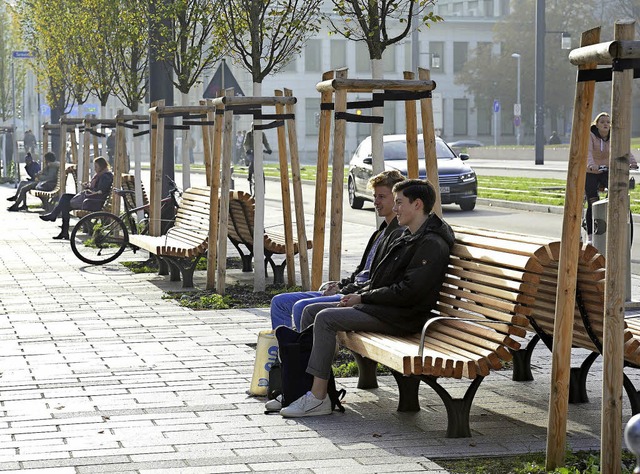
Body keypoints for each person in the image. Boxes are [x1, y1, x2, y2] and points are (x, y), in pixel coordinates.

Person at [272, 179, 455, 418]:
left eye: (399, 202)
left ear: (417, 204)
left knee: (326, 319)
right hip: (385, 308)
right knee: (310, 311)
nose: (395, 208)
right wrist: (357, 294)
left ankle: (318, 398)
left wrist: (362, 297)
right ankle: (303, 388)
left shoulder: (431, 244)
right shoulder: (409, 236)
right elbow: (382, 279)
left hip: (403, 317)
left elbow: (408, 292)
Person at [269, 170, 406, 331]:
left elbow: (378, 281)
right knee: (279, 302)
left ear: (397, 199)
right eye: (375, 196)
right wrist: (340, 284)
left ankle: (302, 353)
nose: (376, 201)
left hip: (358, 296)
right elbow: (360, 271)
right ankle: (283, 350)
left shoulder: (398, 235)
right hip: (350, 289)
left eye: (381, 197)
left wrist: (344, 289)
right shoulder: (380, 232)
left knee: (301, 307)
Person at [585, 112, 638, 244]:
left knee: (616, 188)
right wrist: (591, 165)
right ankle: (590, 235)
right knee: (593, 201)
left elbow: (624, 149)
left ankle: (610, 208)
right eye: (602, 122)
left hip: (606, 169)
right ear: (596, 124)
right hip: (591, 171)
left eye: (608, 122)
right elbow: (588, 152)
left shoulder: (614, 136)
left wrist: (632, 162)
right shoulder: (591, 136)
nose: (606, 124)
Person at [39, 157, 113, 240]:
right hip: (90, 199)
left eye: (96, 166)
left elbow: (101, 190)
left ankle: (58, 222)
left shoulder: (106, 176)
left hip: (93, 202)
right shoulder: (101, 174)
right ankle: (61, 227)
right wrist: (88, 186)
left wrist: (89, 189)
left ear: (102, 166)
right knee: (65, 199)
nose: (95, 169)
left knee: (65, 202)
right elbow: (96, 189)